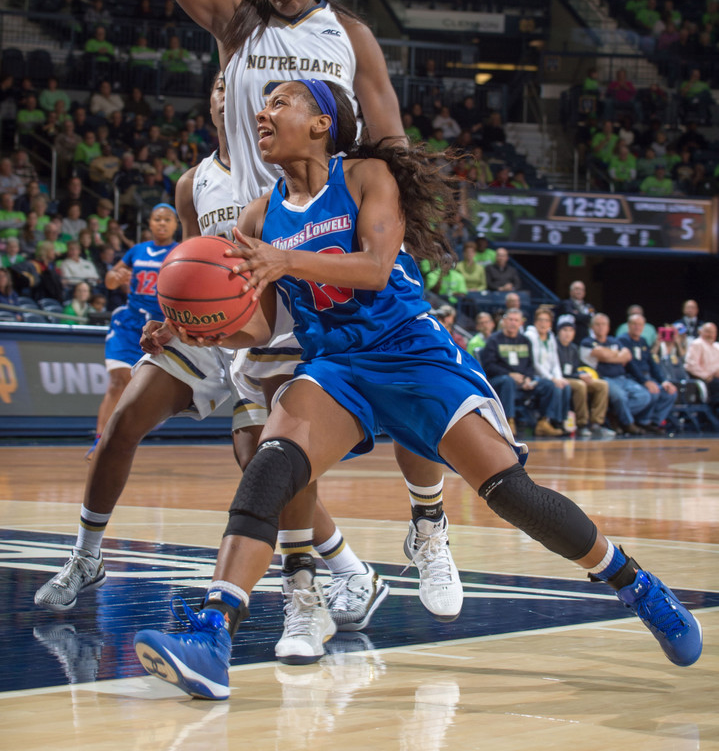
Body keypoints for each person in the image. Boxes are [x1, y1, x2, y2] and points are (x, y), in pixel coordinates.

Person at [132, 78, 702, 700]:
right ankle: (213, 634)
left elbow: (376, 269)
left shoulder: (365, 176)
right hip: (337, 366)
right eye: (262, 104)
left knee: (510, 493)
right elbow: (265, 323)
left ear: (321, 122)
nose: (262, 112)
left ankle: (635, 583)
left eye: (280, 101)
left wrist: (283, 259)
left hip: (412, 352)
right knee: (271, 466)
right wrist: (201, 327)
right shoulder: (257, 215)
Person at [132, 0, 462, 638]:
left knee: (396, 378)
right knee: (261, 442)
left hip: (330, 236)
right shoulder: (233, 17)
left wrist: (392, 230)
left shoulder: (351, 36)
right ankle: (319, 583)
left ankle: (426, 522)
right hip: (251, 245)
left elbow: (388, 139)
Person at [34, 75, 387, 657]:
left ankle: (329, 575)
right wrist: (170, 317)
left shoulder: (283, 164)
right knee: (122, 424)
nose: (232, 92)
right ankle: (86, 555)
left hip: (269, 324)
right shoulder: (191, 183)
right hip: (207, 327)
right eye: (220, 84)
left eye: (240, 82)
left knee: (266, 464)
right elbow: (193, 265)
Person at [85, 203, 179, 459]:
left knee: (149, 387)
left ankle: (149, 417)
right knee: (118, 380)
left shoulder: (180, 252)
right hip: (129, 322)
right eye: (157, 219)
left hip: (162, 325)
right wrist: (115, 279)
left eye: (167, 219)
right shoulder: (136, 251)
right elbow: (111, 279)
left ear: (175, 225)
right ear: (149, 223)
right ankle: (99, 441)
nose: (161, 223)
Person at [480, 308, 565, 438]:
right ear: (504, 321)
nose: (513, 323)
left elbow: (530, 365)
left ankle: (544, 423)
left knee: (549, 385)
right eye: (510, 320)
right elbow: (489, 365)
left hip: (522, 382)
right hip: (500, 381)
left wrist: (527, 379)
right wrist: (510, 374)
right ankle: (509, 422)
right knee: (507, 381)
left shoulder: (525, 341)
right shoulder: (494, 340)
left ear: (521, 323)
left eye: (516, 320)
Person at [580, 313, 651, 436]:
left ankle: (614, 414)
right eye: (597, 324)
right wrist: (617, 355)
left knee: (645, 395)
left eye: (604, 324)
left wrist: (608, 355)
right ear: (592, 327)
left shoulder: (614, 340)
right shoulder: (587, 342)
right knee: (620, 397)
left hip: (622, 378)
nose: (601, 327)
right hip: (605, 378)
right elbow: (602, 355)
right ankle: (629, 424)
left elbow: (627, 356)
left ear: (608, 327)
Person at [554, 316, 613, 439]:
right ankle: (582, 424)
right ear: (558, 331)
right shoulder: (554, 346)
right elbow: (557, 370)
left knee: (602, 384)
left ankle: (597, 423)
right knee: (580, 386)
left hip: (574, 376)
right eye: (564, 330)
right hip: (560, 378)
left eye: (570, 330)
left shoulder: (574, 348)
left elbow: (576, 368)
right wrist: (579, 376)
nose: (567, 333)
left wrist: (583, 374)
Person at [618, 313, 677, 433]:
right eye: (634, 324)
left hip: (647, 376)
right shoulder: (622, 340)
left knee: (670, 393)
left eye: (640, 324)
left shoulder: (643, 341)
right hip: (631, 377)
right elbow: (631, 365)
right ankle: (641, 421)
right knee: (652, 393)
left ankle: (654, 422)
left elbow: (652, 364)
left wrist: (664, 381)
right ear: (628, 325)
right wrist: (645, 382)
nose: (637, 327)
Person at [684, 322, 719, 408]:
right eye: (707, 331)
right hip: (705, 379)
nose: (710, 335)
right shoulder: (697, 344)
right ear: (700, 332)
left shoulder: (717, 346)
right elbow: (691, 365)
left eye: (713, 332)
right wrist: (707, 376)